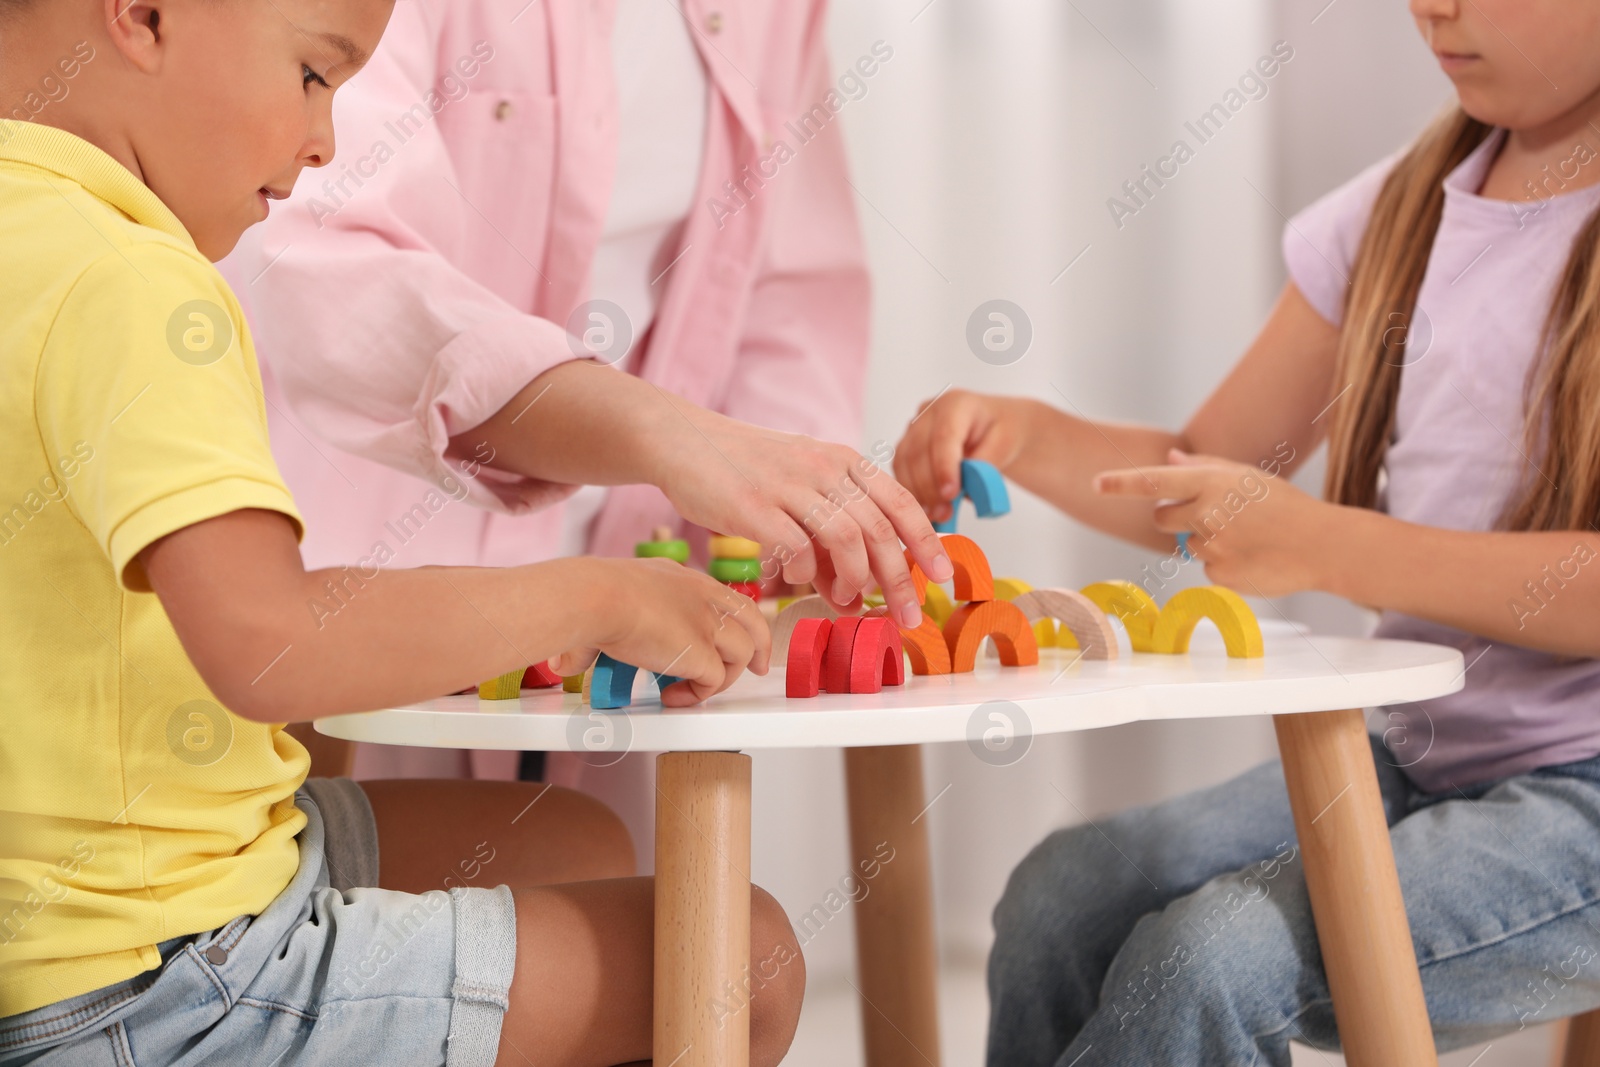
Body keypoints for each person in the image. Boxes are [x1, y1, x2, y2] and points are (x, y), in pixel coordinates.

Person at [0, 0, 812, 1062]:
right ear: (144, 15)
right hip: (157, 977)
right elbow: (269, 640)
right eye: (312, 74)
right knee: (743, 957)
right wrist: (595, 594)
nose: (326, 140)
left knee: (564, 839)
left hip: (79, 903)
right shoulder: (139, 286)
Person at [894, 0, 1600, 1062]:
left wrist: (1317, 542)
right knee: (1061, 892)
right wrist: (1024, 436)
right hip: (1420, 750)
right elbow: (1206, 475)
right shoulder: (1396, 216)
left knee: (1209, 958)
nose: (1433, 8)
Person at [220, 0, 915, 818]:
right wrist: (668, 436)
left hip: (639, 591)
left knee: (621, 885)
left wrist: (786, 527)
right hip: (362, 574)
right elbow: (325, 263)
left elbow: (791, 293)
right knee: (366, 884)